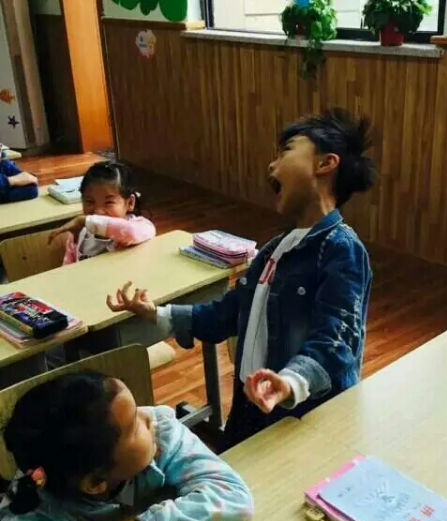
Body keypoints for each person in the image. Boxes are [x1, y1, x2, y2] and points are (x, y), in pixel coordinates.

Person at [107, 109, 376, 450]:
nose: (272, 165)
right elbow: (227, 313)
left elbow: (337, 341)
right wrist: (157, 314)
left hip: (301, 419)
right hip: (252, 407)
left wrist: (289, 382)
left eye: (285, 151)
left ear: (325, 163)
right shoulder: (275, 248)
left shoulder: (340, 248)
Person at [0, 372, 253, 521]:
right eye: (133, 426)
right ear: (95, 483)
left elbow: (233, 498)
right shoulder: (31, 516)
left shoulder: (160, 432)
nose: (148, 416)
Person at [48, 161, 155, 263]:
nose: (98, 211)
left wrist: (86, 221)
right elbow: (68, 269)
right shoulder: (80, 233)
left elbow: (130, 233)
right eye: (90, 202)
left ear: (130, 203)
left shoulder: (141, 226)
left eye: (108, 202)